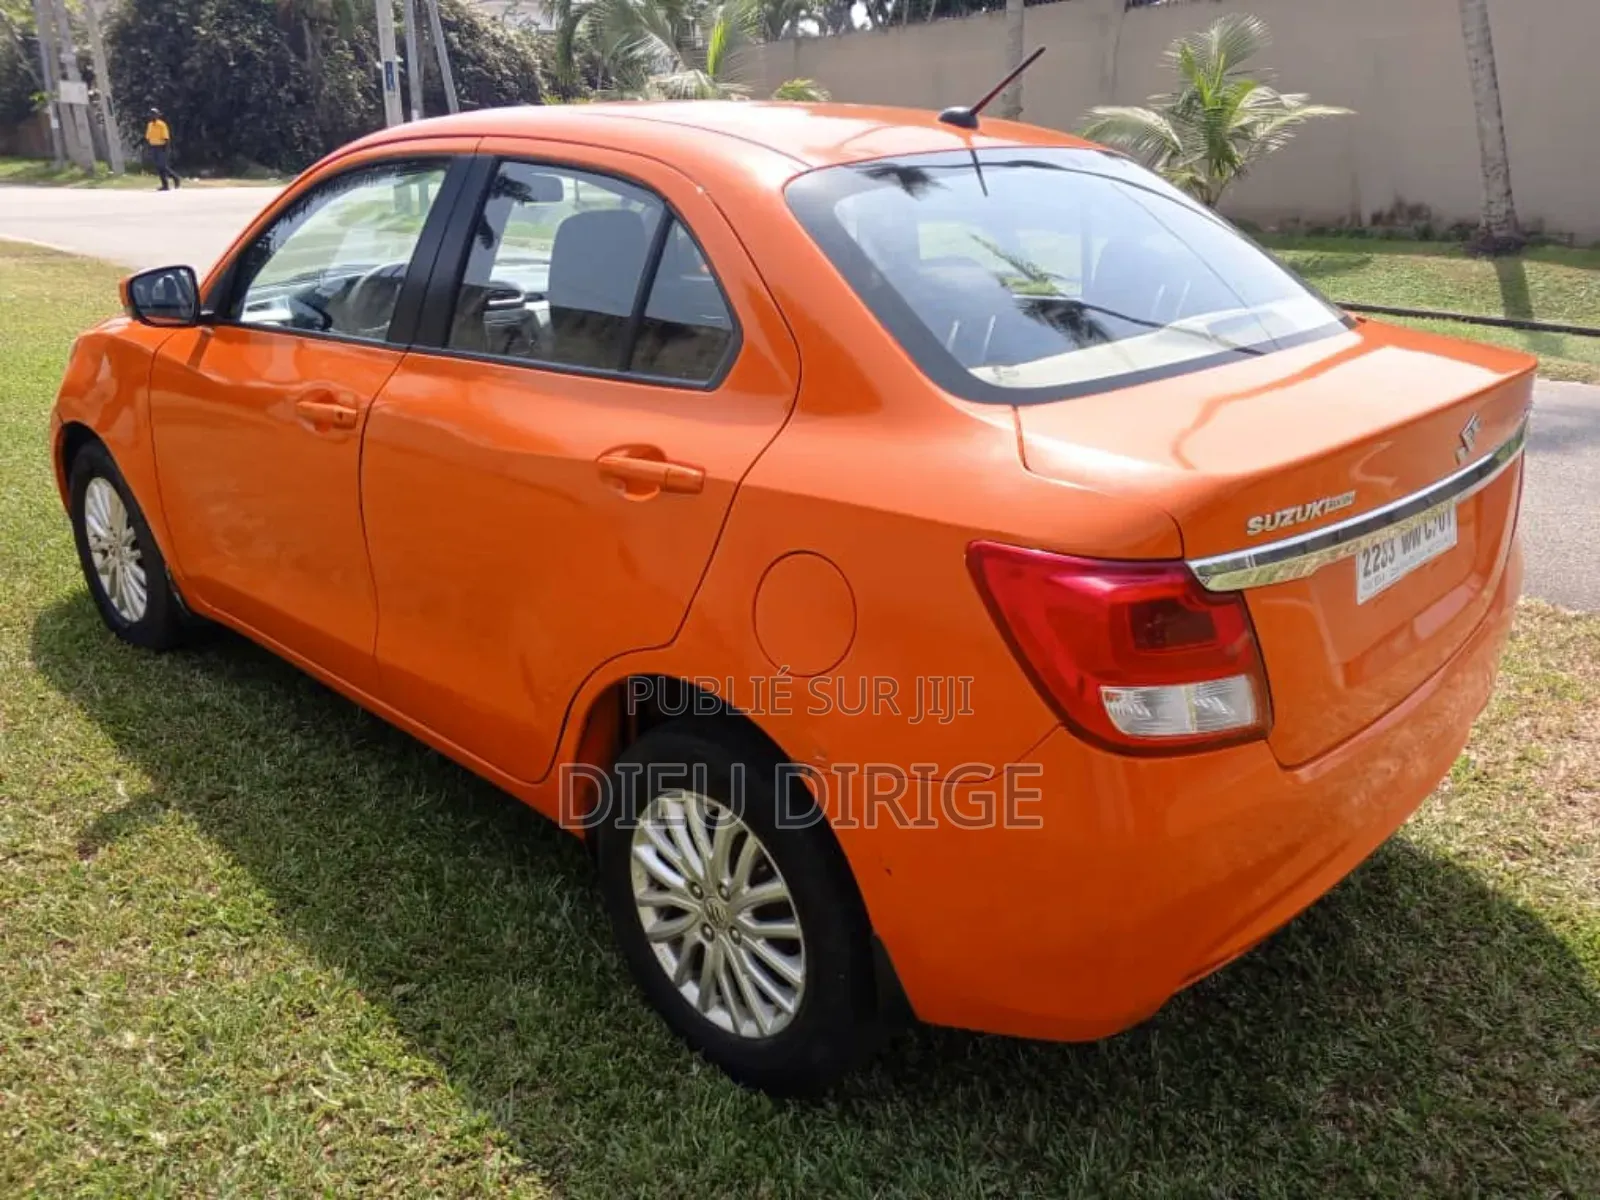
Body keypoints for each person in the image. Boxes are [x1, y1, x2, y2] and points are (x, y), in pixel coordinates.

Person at [144, 108, 179, 191]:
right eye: (151, 114)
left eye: (154, 114)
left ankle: (175, 178)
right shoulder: (150, 125)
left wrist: (166, 149)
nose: (152, 116)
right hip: (153, 147)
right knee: (158, 167)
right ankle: (165, 185)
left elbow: (166, 137)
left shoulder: (161, 124)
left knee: (162, 166)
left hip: (162, 147)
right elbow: (148, 137)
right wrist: (148, 148)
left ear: (157, 115)